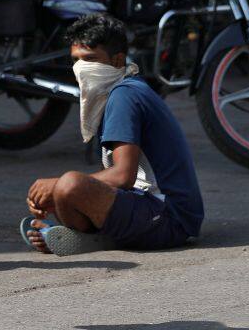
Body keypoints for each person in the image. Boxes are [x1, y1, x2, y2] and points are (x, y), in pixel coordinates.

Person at [22, 13, 204, 256]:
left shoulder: (124, 96)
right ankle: (85, 236)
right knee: (63, 192)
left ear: (117, 60)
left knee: (68, 185)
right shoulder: (118, 91)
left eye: (90, 59)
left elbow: (122, 176)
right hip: (154, 210)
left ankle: (91, 239)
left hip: (170, 219)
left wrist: (56, 186)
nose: (81, 69)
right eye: (76, 60)